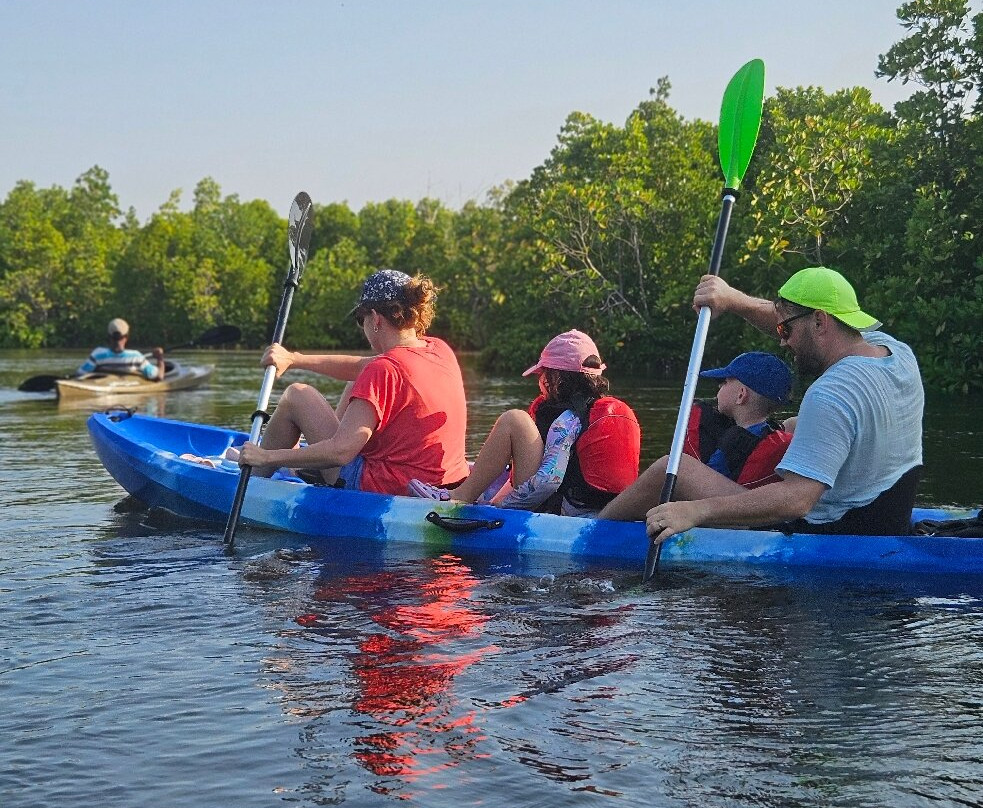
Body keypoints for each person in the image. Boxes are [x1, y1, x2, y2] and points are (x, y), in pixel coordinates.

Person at [636, 266, 924, 547]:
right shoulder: (896, 353)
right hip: (886, 521)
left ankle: (596, 530)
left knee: (672, 469)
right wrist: (733, 299)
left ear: (821, 322)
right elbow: (799, 320)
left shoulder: (830, 393)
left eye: (786, 329)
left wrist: (696, 511)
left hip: (829, 533)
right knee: (789, 425)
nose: (783, 341)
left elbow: (797, 501)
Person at [236, 268, 470, 496]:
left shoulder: (384, 369)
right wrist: (294, 359)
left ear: (376, 319)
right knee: (357, 382)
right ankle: (307, 464)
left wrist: (267, 456)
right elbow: (359, 366)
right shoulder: (438, 349)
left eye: (361, 319)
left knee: (297, 395)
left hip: (385, 486)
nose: (363, 326)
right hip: (443, 484)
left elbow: (341, 452)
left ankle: (253, 471)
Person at [408, 329, 641, 517]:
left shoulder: (567, 421)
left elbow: (549, 481)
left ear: (557, 378)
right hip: (607, 512)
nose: (540, 382)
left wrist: (498, 509)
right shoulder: (604, 411)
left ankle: (458, 497)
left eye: (542, 375)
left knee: (515, 420)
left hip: (564, 514)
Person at [600, 351, 794, 522]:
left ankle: (599, 522)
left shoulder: (736, 443)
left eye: (724, 383)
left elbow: (700, 488)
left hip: (735, 515)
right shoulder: (769, 433)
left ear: (741, 395)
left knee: (670, 467)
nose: (718, 388)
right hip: (757, 506)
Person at [75, 318, 165, 380]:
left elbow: (80, 373)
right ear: (126, 337)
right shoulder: (136, 357)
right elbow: (159, 376)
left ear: (109, 337)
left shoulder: (97, 354)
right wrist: (160, 358)